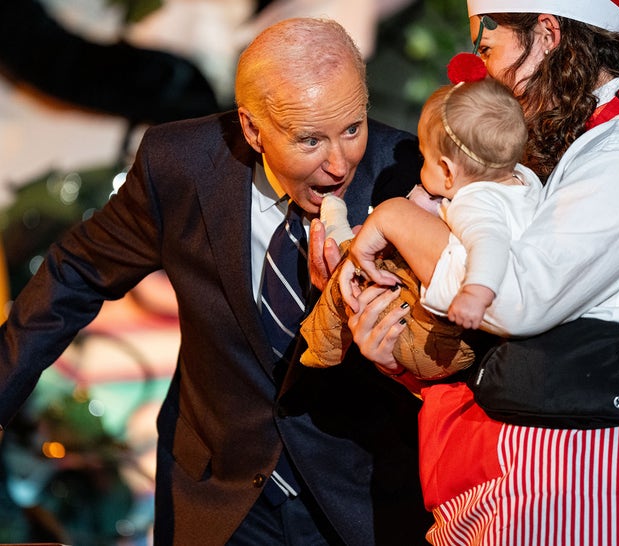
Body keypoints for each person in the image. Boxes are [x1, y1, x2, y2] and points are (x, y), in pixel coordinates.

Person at [0, 17, 433, 546]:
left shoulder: (409, 176)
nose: (339, 163)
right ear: (253, 129)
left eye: (352, 128)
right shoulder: (179, 165)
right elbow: (78, 271)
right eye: (309, 139)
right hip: (218, 494)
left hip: (358, 498)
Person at [334, 1, 619, 544]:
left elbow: (515, 300)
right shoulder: (568, 147)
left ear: (546, 34)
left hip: (585, 479)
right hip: (509, 478)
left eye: (489, 49)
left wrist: (395, 219)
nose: (481, 72)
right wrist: (402, 356)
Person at [300, 74, 541, 379]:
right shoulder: (524, 183)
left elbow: (489, 243)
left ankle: (323, 347)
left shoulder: (477, 205)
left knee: (356, 269)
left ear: (447, 172)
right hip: (451, 346)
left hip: (436, 340)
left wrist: (475, 293)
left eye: (424, 159)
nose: (419, 168)